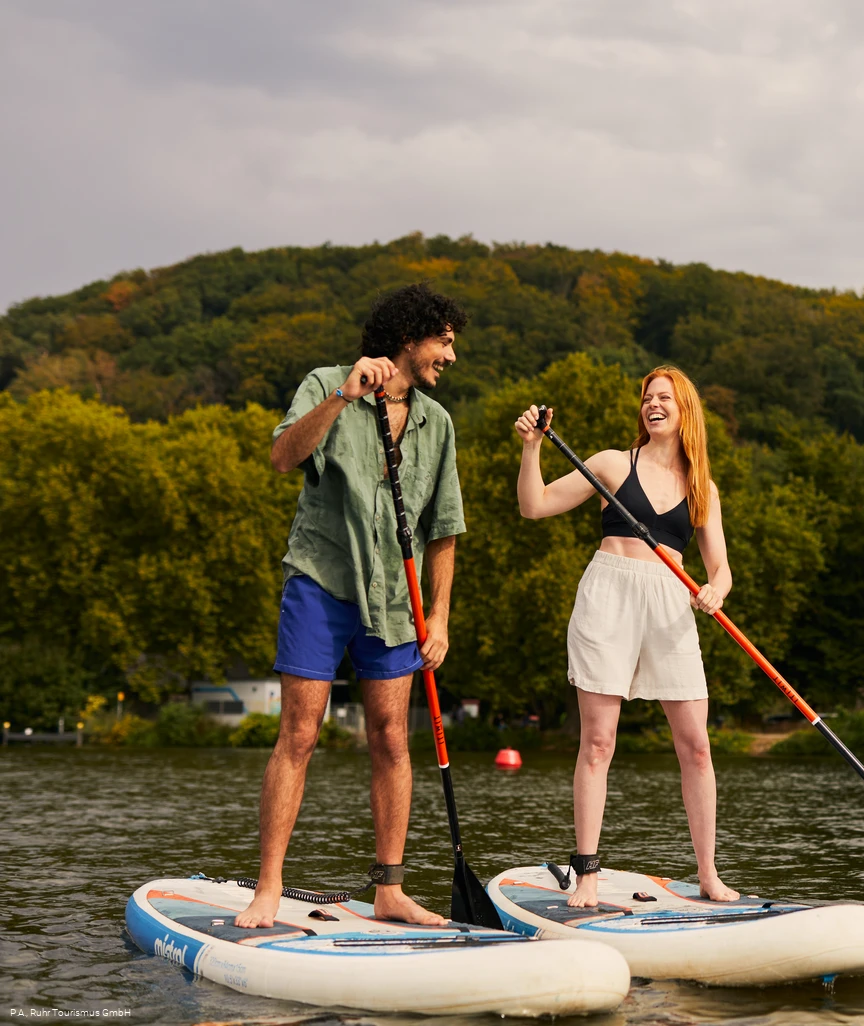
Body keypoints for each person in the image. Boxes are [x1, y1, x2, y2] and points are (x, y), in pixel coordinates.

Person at [234, 283, 467, 929]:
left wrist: (440, 617)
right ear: (409, 338)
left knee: (393, 738)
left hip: (399, 600)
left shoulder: (437, 424)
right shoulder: (326, 382)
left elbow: (444, 530)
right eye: (444, 342)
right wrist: (344, 398)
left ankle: (390, 890)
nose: (451, 356)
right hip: (321, 581)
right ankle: (269, 888)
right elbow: (283, 456)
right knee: (300, 734)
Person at [514, 366, 739, 908]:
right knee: (598, 742)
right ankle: (587, 873)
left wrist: (715, 591)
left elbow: (722, 570)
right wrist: (530, 448)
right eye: (646, 398)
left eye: (664, 397)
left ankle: (708, 874)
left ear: (686, 409)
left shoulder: (701, 487)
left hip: (670, 606)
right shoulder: (613, 464)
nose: (652, 405)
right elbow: (535, 505)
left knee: (698, 747)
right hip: (609, 595)